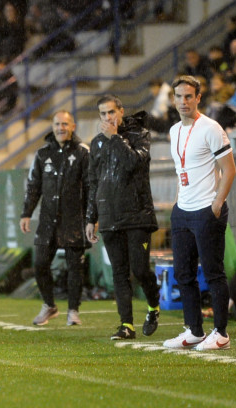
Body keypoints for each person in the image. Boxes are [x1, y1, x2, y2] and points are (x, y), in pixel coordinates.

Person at [162, 75, 236, 351]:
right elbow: (182, 171)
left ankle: (221, 334)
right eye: (179, 96)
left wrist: (217, 203)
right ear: (173, 99)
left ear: (198, 98)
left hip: (207, 209)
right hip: (182, 211)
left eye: (189, 96)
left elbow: (229, 170)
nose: (183, 101)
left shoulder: (211, 128)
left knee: (214, 273)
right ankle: (194, 331)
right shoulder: (173, 131)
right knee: (183, 273)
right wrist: (178, 202)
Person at [85, 95, 161, 340]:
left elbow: (132, 163)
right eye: (103, 114)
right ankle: (126, 325)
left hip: (138, 215)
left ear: (121, 111)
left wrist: (115, 137)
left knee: (140, 270)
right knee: (119, 272)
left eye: (111, 112)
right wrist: (91, 217)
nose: (108, 118)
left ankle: (153, 306)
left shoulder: (139, 135)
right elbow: (93, 182)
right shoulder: (96, 144)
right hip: (110, 217)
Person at [21, 110, 90, 326]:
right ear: (52, 127)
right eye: (57, 124)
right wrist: (26, 213)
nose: (61, 128)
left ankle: (73, 311)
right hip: (48, 219)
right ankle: (49, 305)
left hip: (74, 220)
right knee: (40, 263)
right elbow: (33, 186)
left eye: (65, 124)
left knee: (74, 268)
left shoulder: (83, 152)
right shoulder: (42, 154)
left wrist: (91, 217)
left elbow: (91, 187)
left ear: (73, 127)